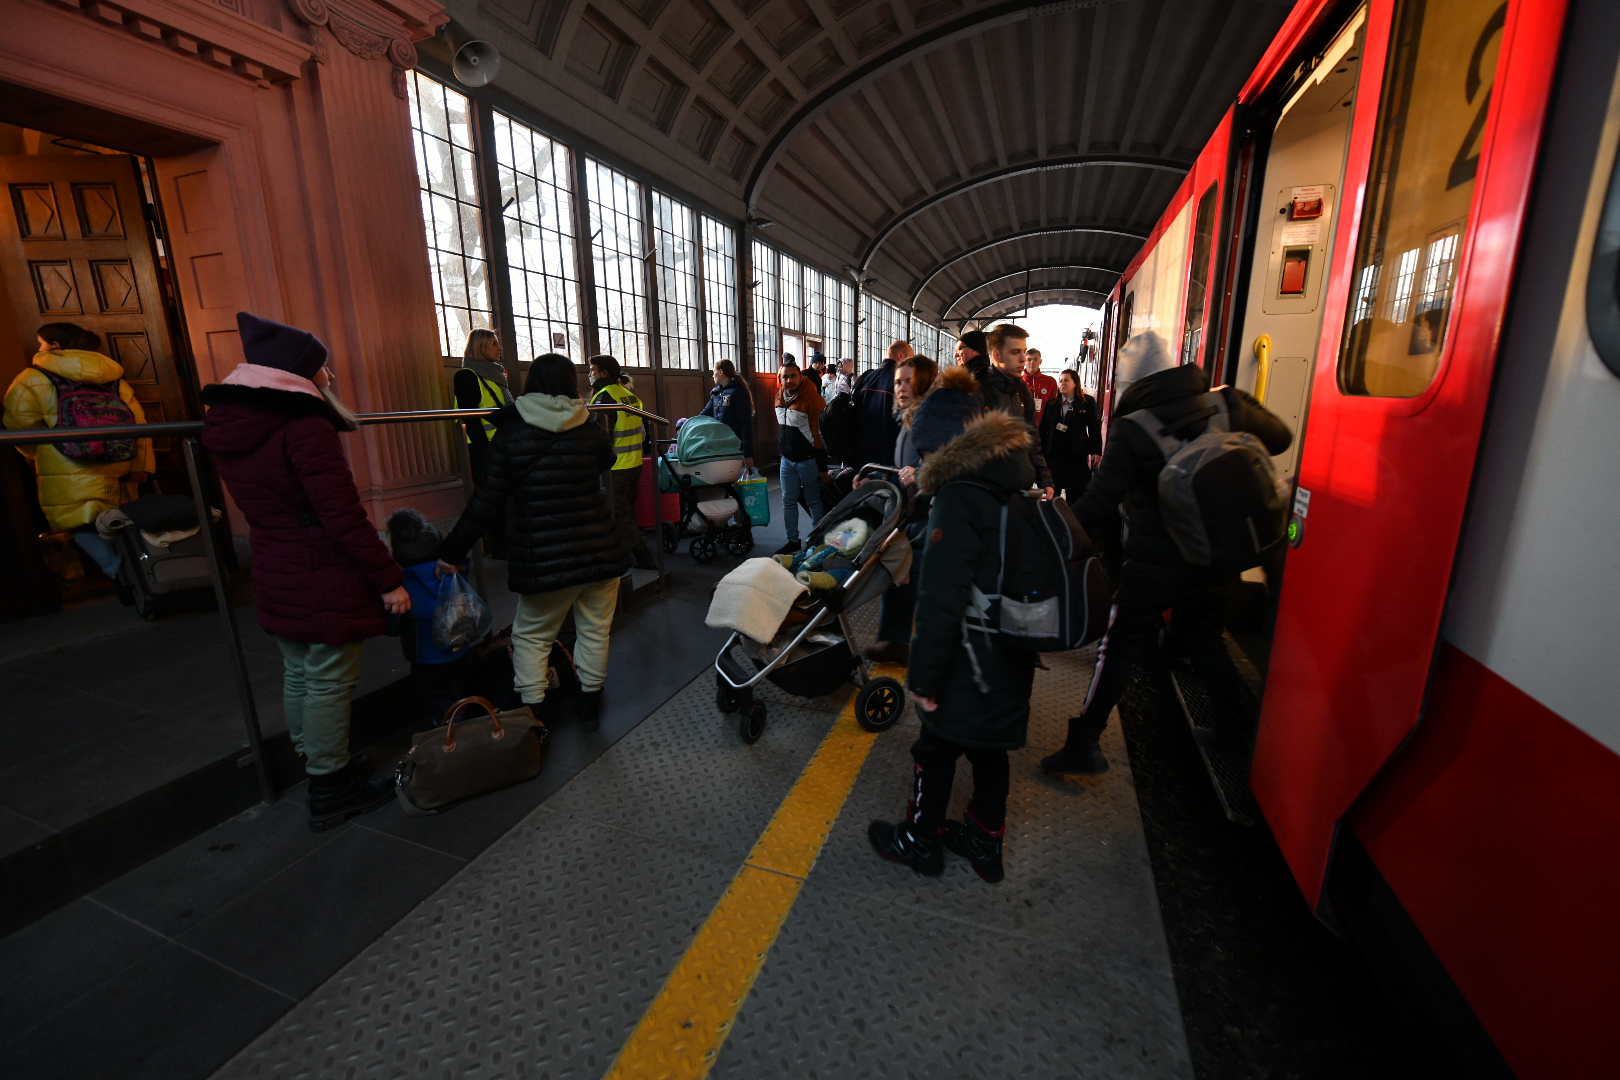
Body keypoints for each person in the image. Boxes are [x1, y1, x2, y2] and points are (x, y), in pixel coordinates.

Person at [1040, 332, 1292, 777]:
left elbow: (1099, 503)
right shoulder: (1224, 402)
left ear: (1133, 382)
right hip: (1216, 559)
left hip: (1156, 566)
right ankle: (1233, 735)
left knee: (1117, 647)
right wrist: (1237, 406)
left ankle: (1085, 743)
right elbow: (1280, 438)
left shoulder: (1132, 427)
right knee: (1207, 642)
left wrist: (1049, 533)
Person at [200, 312, 409, 830]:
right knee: (330, 679)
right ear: (295, 371)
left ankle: (315, 757)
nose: (329, 375)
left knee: (299, 670)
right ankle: (330, 786)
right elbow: (341, 514)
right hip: (319, 566)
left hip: (276, 559)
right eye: (322, 366)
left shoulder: (234, 422)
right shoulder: (304, 424)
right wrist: (388, 578)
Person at [869, 373, 1038, 884]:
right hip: (1012, 650)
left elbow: (941, 600)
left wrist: (924, 678)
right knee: (990, 751)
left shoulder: (958, 497)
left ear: (941, 447)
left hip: (969, 656)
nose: (921, 462)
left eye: (924, 452)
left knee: (935, 749)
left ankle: (921, 840)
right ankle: (985, 843)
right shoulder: (1012, 482)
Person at [436, 353, 631, 730]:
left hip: (545, 558)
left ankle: (533, 717)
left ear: (531, 384)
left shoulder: (511, 431)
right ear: (569, 384)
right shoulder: (588, 425)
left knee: (532, 636)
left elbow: (485, 502)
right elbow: (605, 461)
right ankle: (589, 705)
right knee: (594, 630)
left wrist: (451, 550)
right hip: (600, 549)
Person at [4, 322, 153, 581]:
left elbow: (19, 424)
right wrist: (142, 468)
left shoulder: (33, 378)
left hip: (64, 463)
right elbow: (138, 422)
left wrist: (34, 455)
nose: (38, 349)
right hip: (116, 458)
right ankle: (144, 573)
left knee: (77, 522)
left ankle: (120, 573)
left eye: (41, 343)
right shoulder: (113, 377)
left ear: (55, 345)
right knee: (117, 520)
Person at [866, 353, 941, 664]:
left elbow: (952, 464)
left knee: (910, 583)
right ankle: (897, 642)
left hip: (929, 519)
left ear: (926, 383)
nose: (901, 387)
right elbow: (902, 468)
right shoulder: (910, 419)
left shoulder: (932, 421)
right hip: (912, 516)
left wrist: (921, 474)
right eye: (898, 382)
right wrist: (872, 475)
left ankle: (921, 650)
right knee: (899, 579)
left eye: (909, 381)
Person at [387, 509, 472, 724]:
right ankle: (462, 714)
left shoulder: (402, 588)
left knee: (433, 695)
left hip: (427, 658)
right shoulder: (454, 572)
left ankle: (449, 725)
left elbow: (393, 627)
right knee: (455, 686)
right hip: (461, 649)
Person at [956, 325, 1055, 497]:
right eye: (1015, 352)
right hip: (985, 493)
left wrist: (1045, 479)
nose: (1023, 359)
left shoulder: (1023, 391)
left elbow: (1032, 440)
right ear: (997, 355)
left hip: (1018, 489)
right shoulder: (976, 390)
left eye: (1024, 351)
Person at [588, 354, 654, 570]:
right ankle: (627, 551)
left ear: (604, 373)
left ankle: (642, 557)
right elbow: (644, 432)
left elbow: (599, 438)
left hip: (615, 467)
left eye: (593, 370)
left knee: (619, 513)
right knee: (627, 510)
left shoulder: (604, 398)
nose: (590, 375)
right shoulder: (629, 396)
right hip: (634, 463)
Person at [773, 359, 827, 556]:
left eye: (793, 376)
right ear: (780, 379)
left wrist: (822, 467)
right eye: (785, 377)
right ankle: (793, 541)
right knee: (788, 500)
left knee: (814, 502)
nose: (789, 380)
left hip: (808, 460)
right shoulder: (779, 397)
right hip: (787, 460)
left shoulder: (813, 399)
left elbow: (820, 435)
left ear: (801, 377)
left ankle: (817, 543)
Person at [453, 329, 514, 481]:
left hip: (501, 444)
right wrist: (485, 453)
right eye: (494, 344)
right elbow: (471, 419)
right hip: (484, 449)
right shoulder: (467, 376)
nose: (500, 348)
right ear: (480, 347)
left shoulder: (493, 377)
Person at [1038, 369, 1102, 506]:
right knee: (1052, 496)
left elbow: (1094, 428)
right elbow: (1042, 429)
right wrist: (1039, 451)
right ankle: (1052, 518)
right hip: (1054, 455)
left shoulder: (1086, 402)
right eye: (1060, 381)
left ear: (1075, 383)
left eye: (1066, 380)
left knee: (1075, 496)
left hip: (1076, 456)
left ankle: (1072, 519)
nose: (1062, 383)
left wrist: (1096, 451)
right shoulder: (1051, 403)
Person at [853, 340, 913, 468]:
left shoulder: (867, 378)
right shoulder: (899, 383)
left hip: (862, 454)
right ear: (900, 356)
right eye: (911, 358)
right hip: (889, 458)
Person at [699, 359, 754, 466]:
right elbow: (705, 413)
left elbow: (745, 424)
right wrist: (689, 423)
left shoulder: (738, 392)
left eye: (714, 372)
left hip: (734, 444)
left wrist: (747, 454)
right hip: (719, 444)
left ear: (721, 372)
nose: (713, 376)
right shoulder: (716, 393)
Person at [1022, 347, 1059, 417]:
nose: (1032, 362)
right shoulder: (1017, 381)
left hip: (1043, 422)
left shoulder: (1050, 381)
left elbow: (1055, 406)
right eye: (1029, 360)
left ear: (1040, 361)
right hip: (1021, 422)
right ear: (1024, 362)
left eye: (1035, 359)